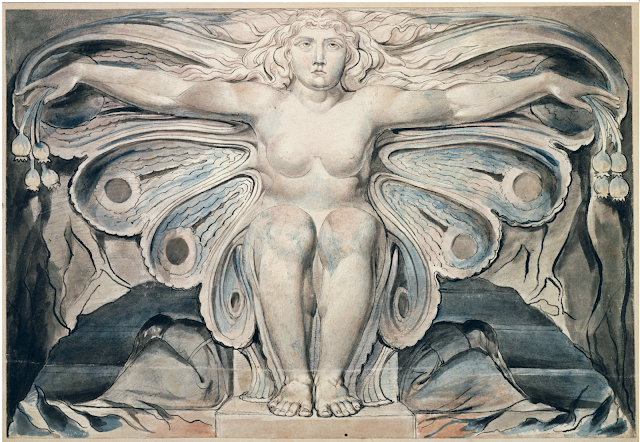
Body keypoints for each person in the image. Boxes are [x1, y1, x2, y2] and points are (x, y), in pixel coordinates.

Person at [17, 9, 619, 419]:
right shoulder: (262, 103)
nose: (319, 55)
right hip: (271, 232)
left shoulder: (370, 107)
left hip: (353, 230)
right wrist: (89, 71)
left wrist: (541, 83)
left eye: (332, 44)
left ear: (349, 56)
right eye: (306, 43)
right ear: (285, 53)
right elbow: (173, 94)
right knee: (285, 226)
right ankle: (294, 379)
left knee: (349, 226)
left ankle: (331, 377)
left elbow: (457, 104)